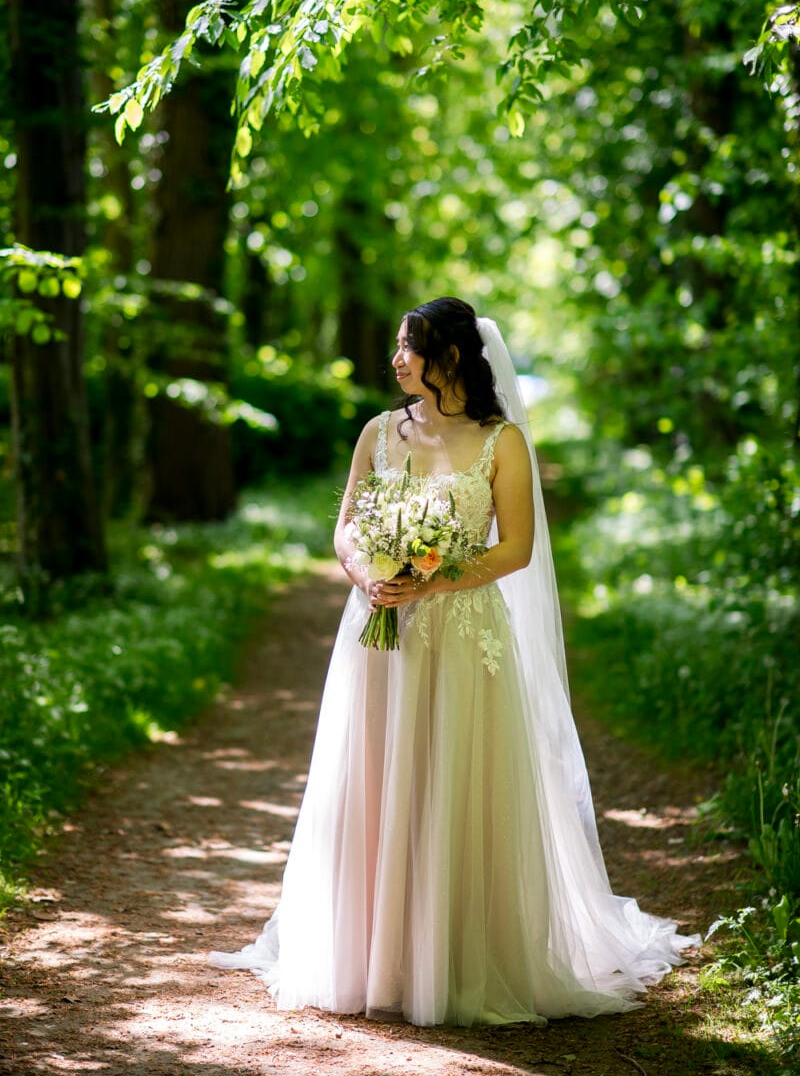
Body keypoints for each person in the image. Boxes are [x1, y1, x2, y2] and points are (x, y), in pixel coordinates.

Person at [209, 296, 697, 1026]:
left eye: (411, 347)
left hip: (465, 634)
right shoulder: (378, 432)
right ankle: (375, 955)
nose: (396, 360)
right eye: (398, 348)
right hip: (380, 631)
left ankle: (459, 958)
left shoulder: (502, 443)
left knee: (453, 777)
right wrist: (366, 575)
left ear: (454, 356)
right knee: (378, 778)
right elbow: (345, 528)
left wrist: (433, 577)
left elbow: (517, 549)